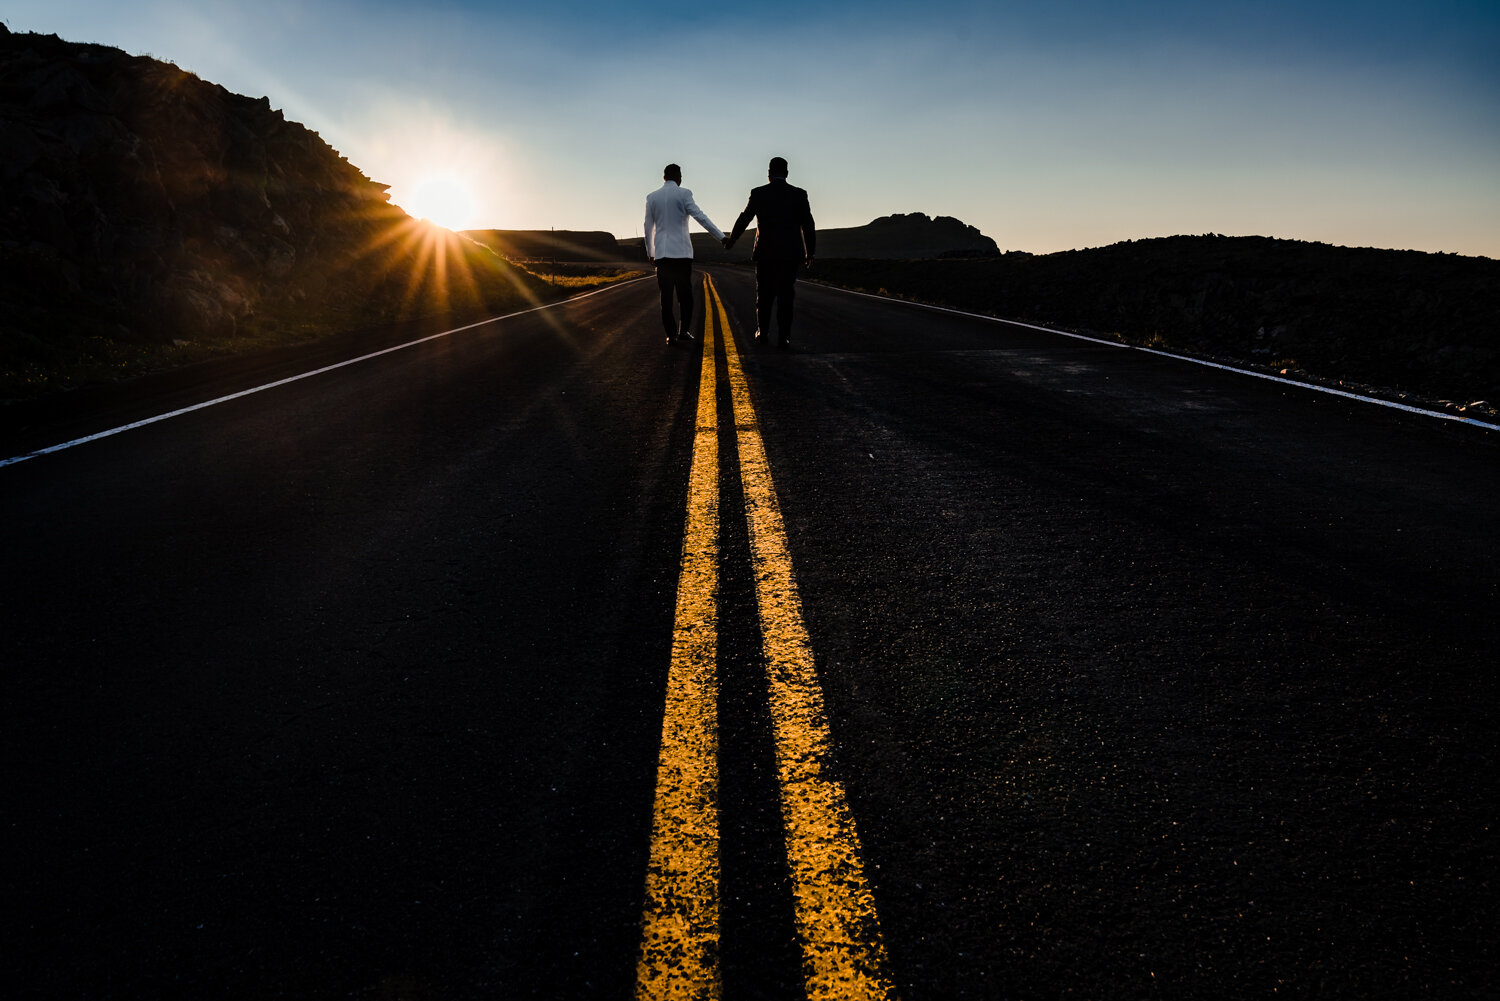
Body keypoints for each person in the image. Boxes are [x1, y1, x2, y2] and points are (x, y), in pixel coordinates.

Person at [723, 156, 816, 349]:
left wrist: (732, 239)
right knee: (786, 295)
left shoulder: (759, 193)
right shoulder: (799, 194)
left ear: (769, 174)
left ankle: (763, 332)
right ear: (787, 173)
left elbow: (745, 218)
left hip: (766, 253)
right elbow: (808, 224)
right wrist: (810, 252)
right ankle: (784, 337)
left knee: (764, 295)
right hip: (790, 254)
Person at [643, 163, 725, 345]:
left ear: (664, 177)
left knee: (666, 297)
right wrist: (721, 237)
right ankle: (684, 330)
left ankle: (670, 335)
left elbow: (648, 227)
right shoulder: (684, 194)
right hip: (681, 254)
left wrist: (651, 252)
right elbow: (700, 217)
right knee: (685, 295)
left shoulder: (652, 197)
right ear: (678, 177)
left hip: (662, 255)